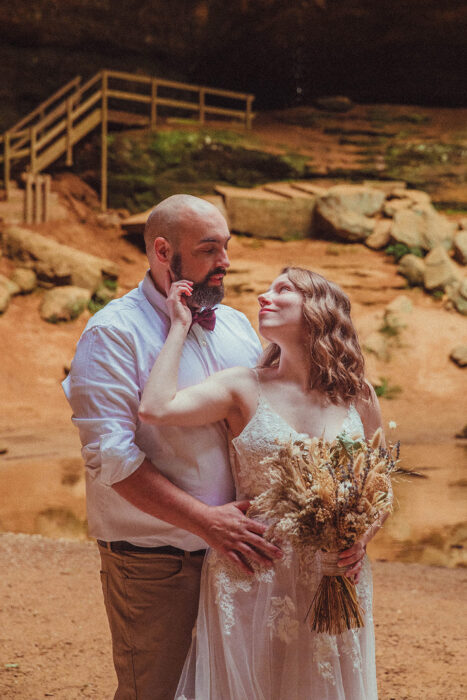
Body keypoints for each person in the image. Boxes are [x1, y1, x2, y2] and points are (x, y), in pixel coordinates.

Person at [62, 194, 283, 700]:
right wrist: (206, 521)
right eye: (208, 250)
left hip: (241, 555)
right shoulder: (111, 334)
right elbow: (111, 458)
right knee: (155, 692)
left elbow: (271, 424)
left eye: (226, 246)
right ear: (163, 252)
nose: (225, 262)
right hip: (158, 562)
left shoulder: (235, 325)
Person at [139, 266, 388, 700]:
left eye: (282, 289)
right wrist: (179, 325)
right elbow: (155, 408)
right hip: (255, 571)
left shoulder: (357, 394)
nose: (263, 296)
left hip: (334, 574)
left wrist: (362, 538)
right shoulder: (243, 386)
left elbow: (380, 486)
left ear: (319, 308)